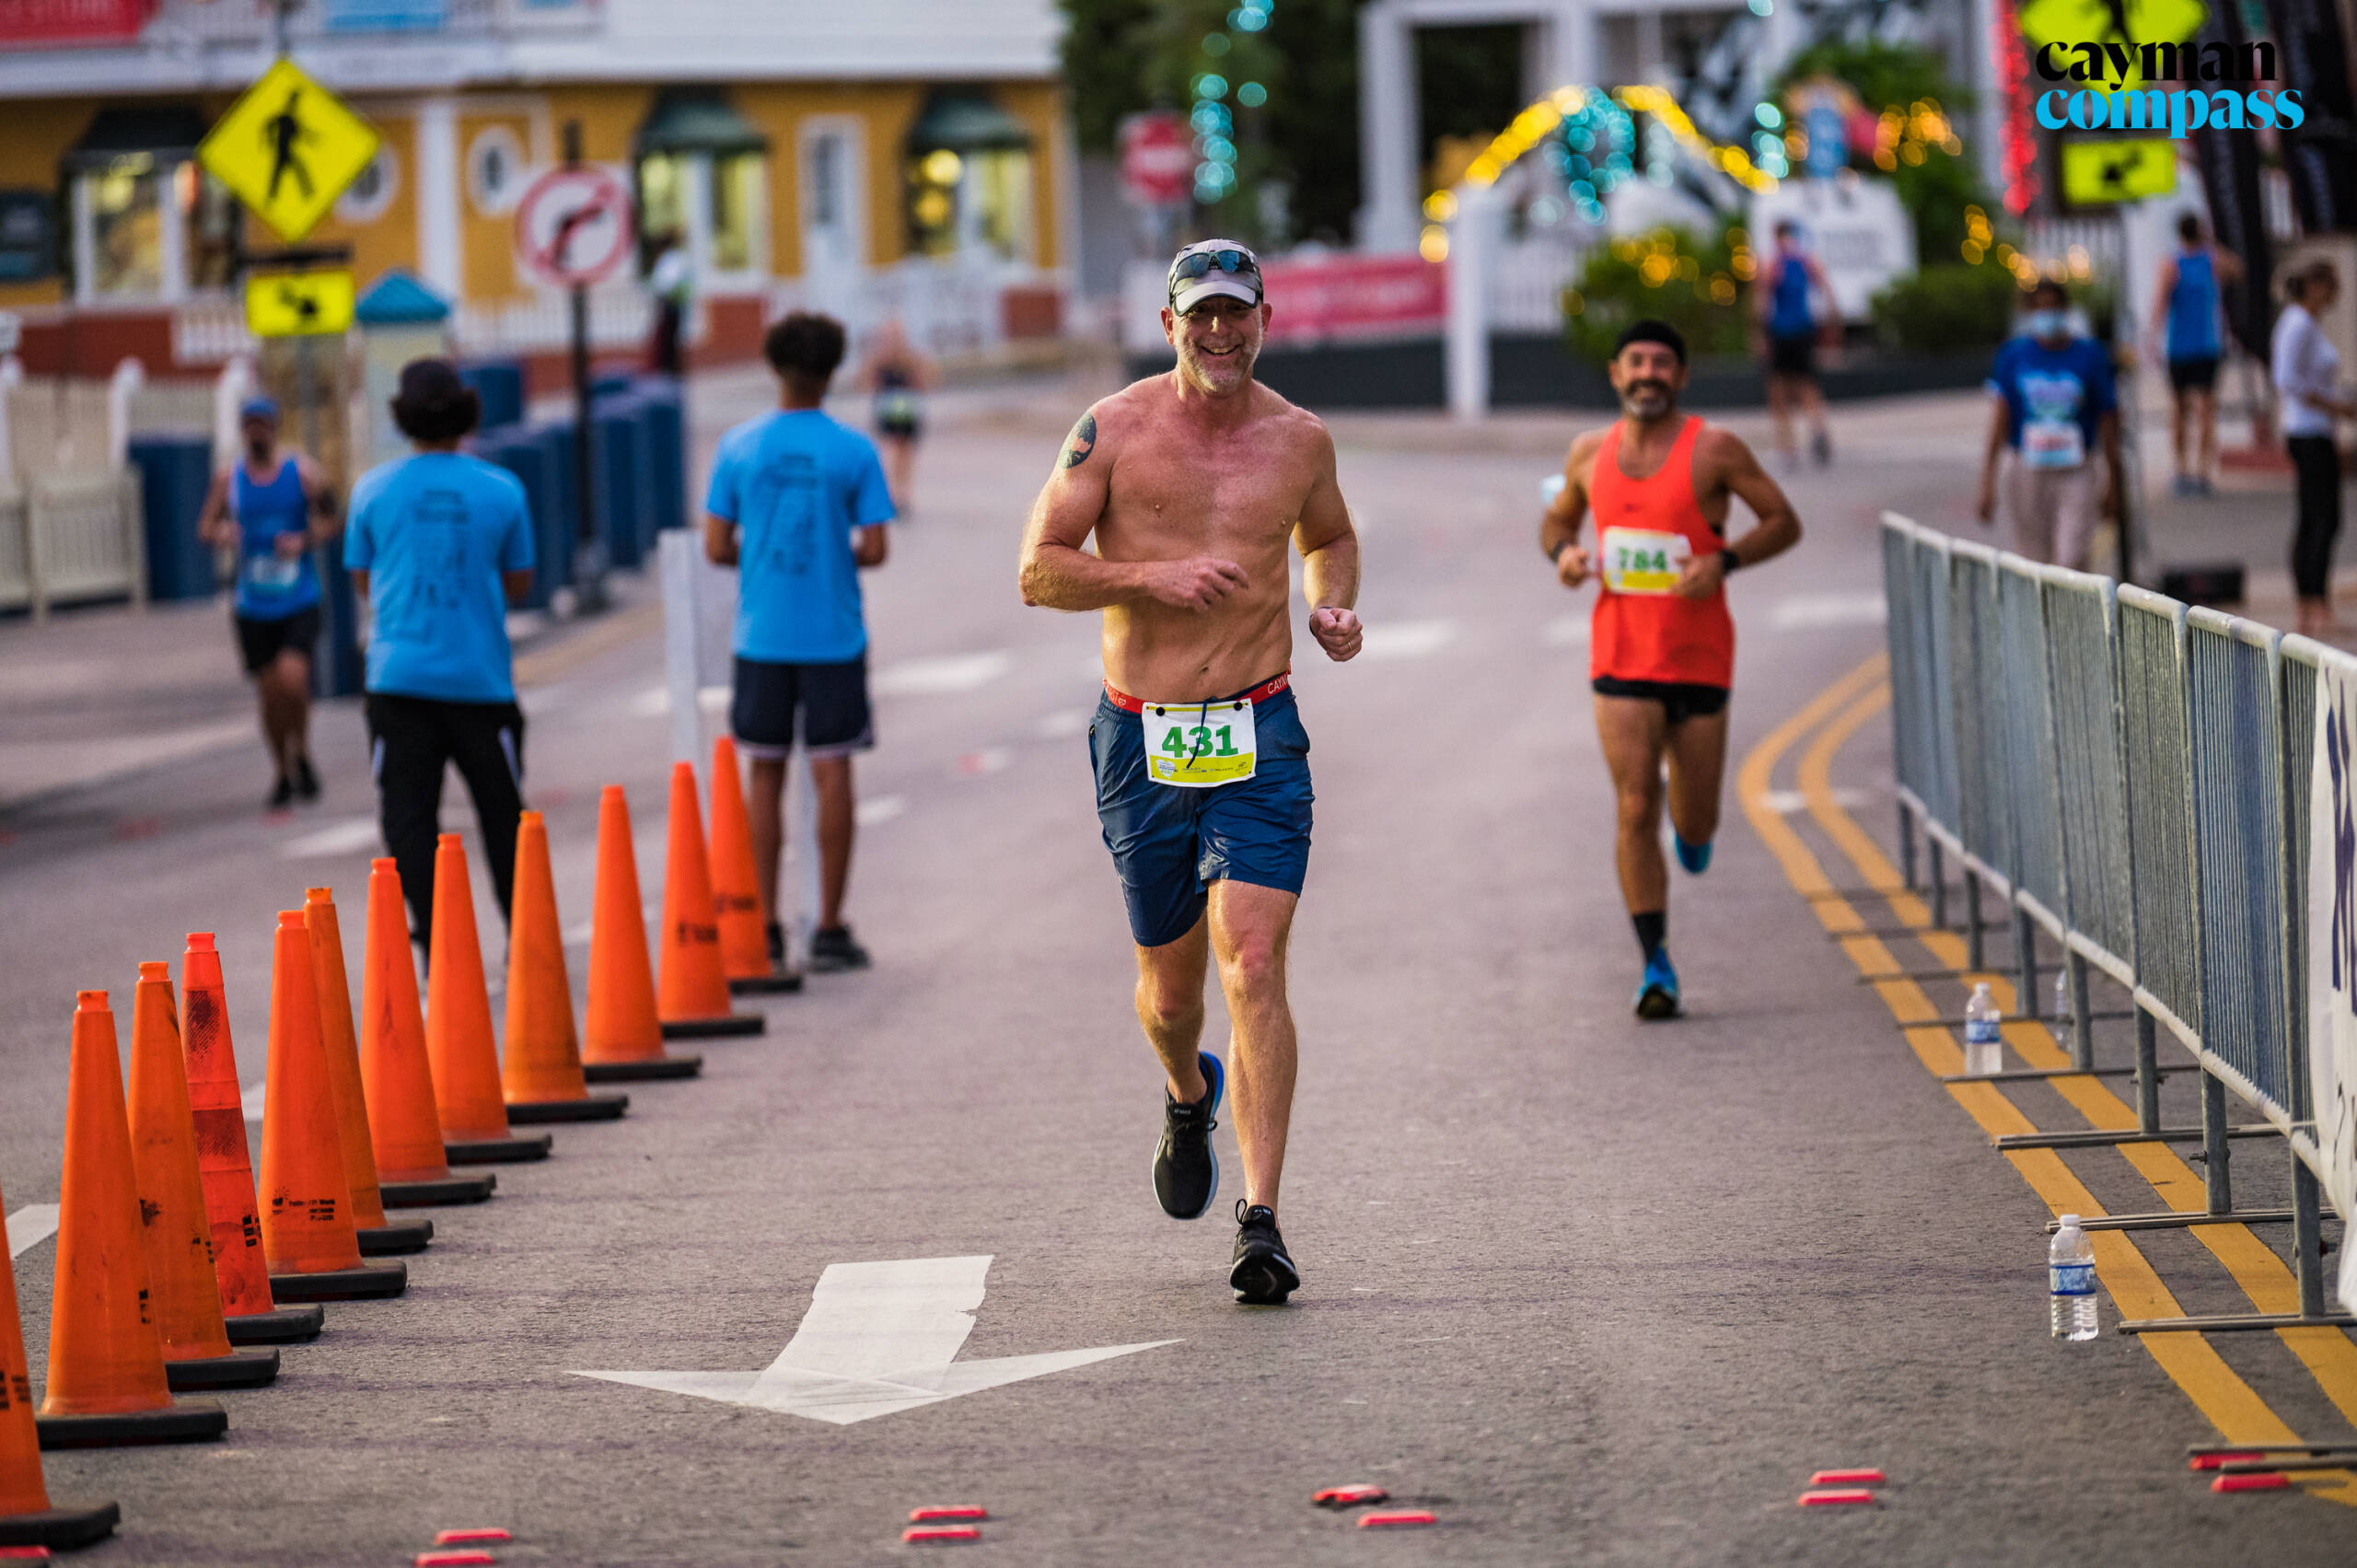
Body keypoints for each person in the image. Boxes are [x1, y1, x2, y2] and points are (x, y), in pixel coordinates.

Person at [1017, 238, 1364, 1305]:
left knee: (1251, 961)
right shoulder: (1111, 429)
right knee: (1172, 995)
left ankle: (1260, 1218)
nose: (1219, 333)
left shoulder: (1298, 438)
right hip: (1143, 737)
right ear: (1169, 324)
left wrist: (1331, 605)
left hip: (1259, 728)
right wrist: (1149, 578)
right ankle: (1184, 1091)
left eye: (1236, 313)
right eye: (1199, 315)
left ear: (1265, 320)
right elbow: (1038, 569)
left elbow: (1330, 536)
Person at [1541, 319, 1802, 1020]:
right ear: (1615, 373)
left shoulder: (1715, 449)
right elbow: (1556, 523)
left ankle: (1692, 831)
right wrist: (1565, 555)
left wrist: (1725, 560)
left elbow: (1783, 520)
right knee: (1634, 805)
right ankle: (1655, 963)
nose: (1648, 373)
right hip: (1621, 654)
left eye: (1662, 362)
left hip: (1698, 656)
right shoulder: (1588, 452)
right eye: (1636, 361)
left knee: (1694, 816)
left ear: (1681, 376)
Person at [703, 311, 893, 976]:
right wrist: (835, 555)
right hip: (833, 635)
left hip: (762, 635)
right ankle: (831, 928)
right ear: (833, 370)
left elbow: (716, 545)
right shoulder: (854, 450)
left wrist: (763, 554)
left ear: (772, 367)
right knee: (832, 769)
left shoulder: (737, 446)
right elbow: (875, 548)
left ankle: (766, 928)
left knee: (764, 771)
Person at [344, 359, 536, 950]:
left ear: (401, 417)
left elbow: (363, 581)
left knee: (408, 819)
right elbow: (520, 580)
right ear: (467, 413)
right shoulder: (502, 489)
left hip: (398, 681)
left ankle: (438, 943)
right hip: (480, 681)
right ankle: (523, 942)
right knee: (504, 816)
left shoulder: (372, 490)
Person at [196, 395, 338, 808]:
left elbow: (332, 518)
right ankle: (282, 770)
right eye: (250, 424)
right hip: (253, 603)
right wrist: (222, 534)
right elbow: (204, 527)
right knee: (270, 693)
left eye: (263, 423)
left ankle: (303, 749)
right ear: (243, 430)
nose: (257, 431)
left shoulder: (302, 473)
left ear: (274, 428)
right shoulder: (229, 479)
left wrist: (304, 540)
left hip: (299, 595)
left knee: (294, 680)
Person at [1974, 278, 2122, 572]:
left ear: (2065, 309)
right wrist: (1987, 481)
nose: (2047, 314)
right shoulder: (2013, 355)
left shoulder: (2089, 355)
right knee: (2034, 561)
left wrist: (2113, 479)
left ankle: (2071, 601)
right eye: (2040, 308)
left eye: (2053, 307)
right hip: (2028, 468)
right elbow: (2000, 420)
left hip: (2076, 467)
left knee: (2071, 558)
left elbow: (2108, 419)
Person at [2273, 261, 2354, 637]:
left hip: (2316, 430)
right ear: (2315, 285)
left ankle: (2312, 601)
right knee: (2323, 517)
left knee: (2314, 516)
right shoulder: (2299, 323)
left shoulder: (2308, 323)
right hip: (2307, 430)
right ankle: (2314, 601)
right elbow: (2287, 379)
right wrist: (2334, 407)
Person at [2147, 212, 2242, 495]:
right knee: (2183, 410)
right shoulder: (2174, 263)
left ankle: (2197, 471)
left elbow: (2237, 270)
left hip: (2203, 346)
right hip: (2183, 346)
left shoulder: (2208, 260)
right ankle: (2185, 470)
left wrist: (2211, 243)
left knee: (2201, 410)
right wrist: (2153, 338)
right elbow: (2161, 303)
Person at [1753, 219, 1837, 470]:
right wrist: (1833, 324)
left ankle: (1787, 448)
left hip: (1780, 332)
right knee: (1807, 385)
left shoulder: (1772, 264)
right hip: (1804, 330)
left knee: (1778, 392)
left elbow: (1762, 302)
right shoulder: (1807, 261)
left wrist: (1759, 334)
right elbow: (1828, 292)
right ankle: (1818, 428)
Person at [859, 318, 935, 513]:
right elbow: (867, 384)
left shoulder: (912, 359)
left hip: (908, 411)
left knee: (906, 453)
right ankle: (893, 494)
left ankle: (903, 495)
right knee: (891, 452)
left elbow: (925, 382)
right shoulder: (878, 360)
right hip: (888, 412)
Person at [646, 228, 693, 377]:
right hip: (674, 302)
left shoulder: (670, 259)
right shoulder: (677, 258)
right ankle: (671, 368)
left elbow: (665, 283)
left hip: (670, 303)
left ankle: (670, 369)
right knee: (671, 337)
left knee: (669, 337)